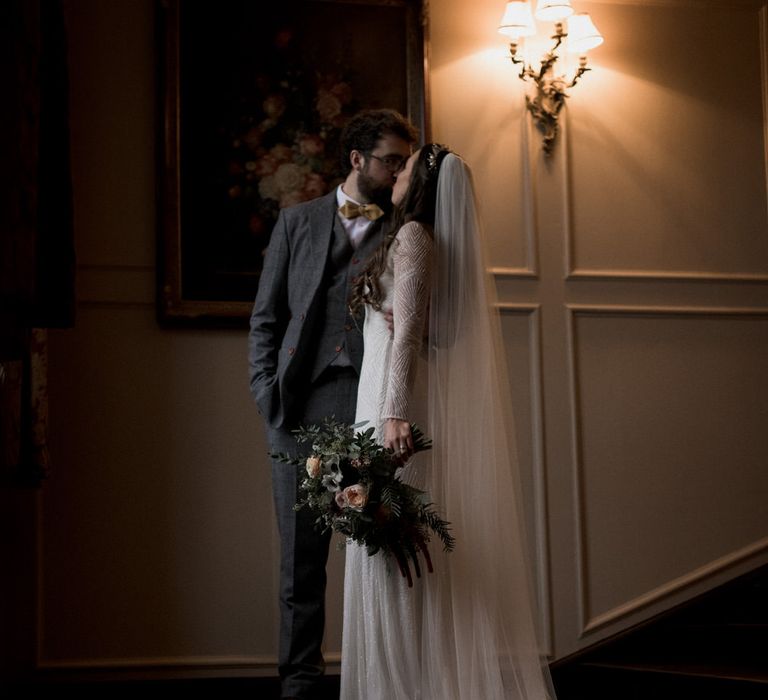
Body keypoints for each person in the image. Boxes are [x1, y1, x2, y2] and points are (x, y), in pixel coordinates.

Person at [341, 145, 557, 699]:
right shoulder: (416, 238)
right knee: (391, 557)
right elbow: (432, 329)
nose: (396, 171)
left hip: (389, 412)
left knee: (393, 563)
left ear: (421, 183)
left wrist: (393, 414)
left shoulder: (414, 237)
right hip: (382, 403)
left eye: (405, 165)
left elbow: (409, 332)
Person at [248, 108, 417, 700]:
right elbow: (266, 319)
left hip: (369, 404)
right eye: (390, 160)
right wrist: (266, 393)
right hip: (296, 409)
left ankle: (382, 682)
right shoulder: (296, 222)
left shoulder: (407, 227)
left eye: (404, 160)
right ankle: (299, 684)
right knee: (301, 564)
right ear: (357, 160)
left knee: (381, 556)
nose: (399, 170)